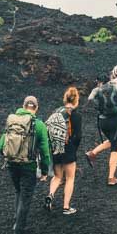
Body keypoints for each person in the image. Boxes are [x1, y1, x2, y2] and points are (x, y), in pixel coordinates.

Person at [0, 95, 52, 234]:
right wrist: (45, 171)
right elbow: (45, 152)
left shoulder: (12, 120)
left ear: (23, 106)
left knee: (19, 192)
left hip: (12, 164)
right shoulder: (39, 125)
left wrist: (10, 156)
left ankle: (17, 223)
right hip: (29, 166)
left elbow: (0, 145)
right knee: (25, 198)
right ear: (36, 108)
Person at [44, 86, 83, 215]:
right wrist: (73, 149)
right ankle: (66, 207)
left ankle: (50, 196)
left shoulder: (57, 111)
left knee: (57, 176)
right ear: (76, 100)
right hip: (69, 148)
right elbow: (78, 136)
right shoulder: (76, 115)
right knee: (70, 178)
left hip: (56, 148)